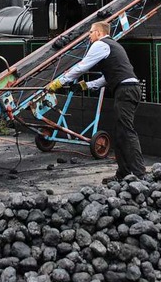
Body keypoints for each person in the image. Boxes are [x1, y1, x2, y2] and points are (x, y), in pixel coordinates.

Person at [48, 21, 145, 183]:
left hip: (126, 90)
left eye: (91, 33)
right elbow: (107, 78)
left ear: (99, 33)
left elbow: (81, 67)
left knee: (126, 132)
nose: (89, 36)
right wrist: (85, 86)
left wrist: (59, 82)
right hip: (128, 89)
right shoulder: (113, 46)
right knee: (121, 132)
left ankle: (139, 174)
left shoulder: (100, 45)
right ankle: (123, 174)